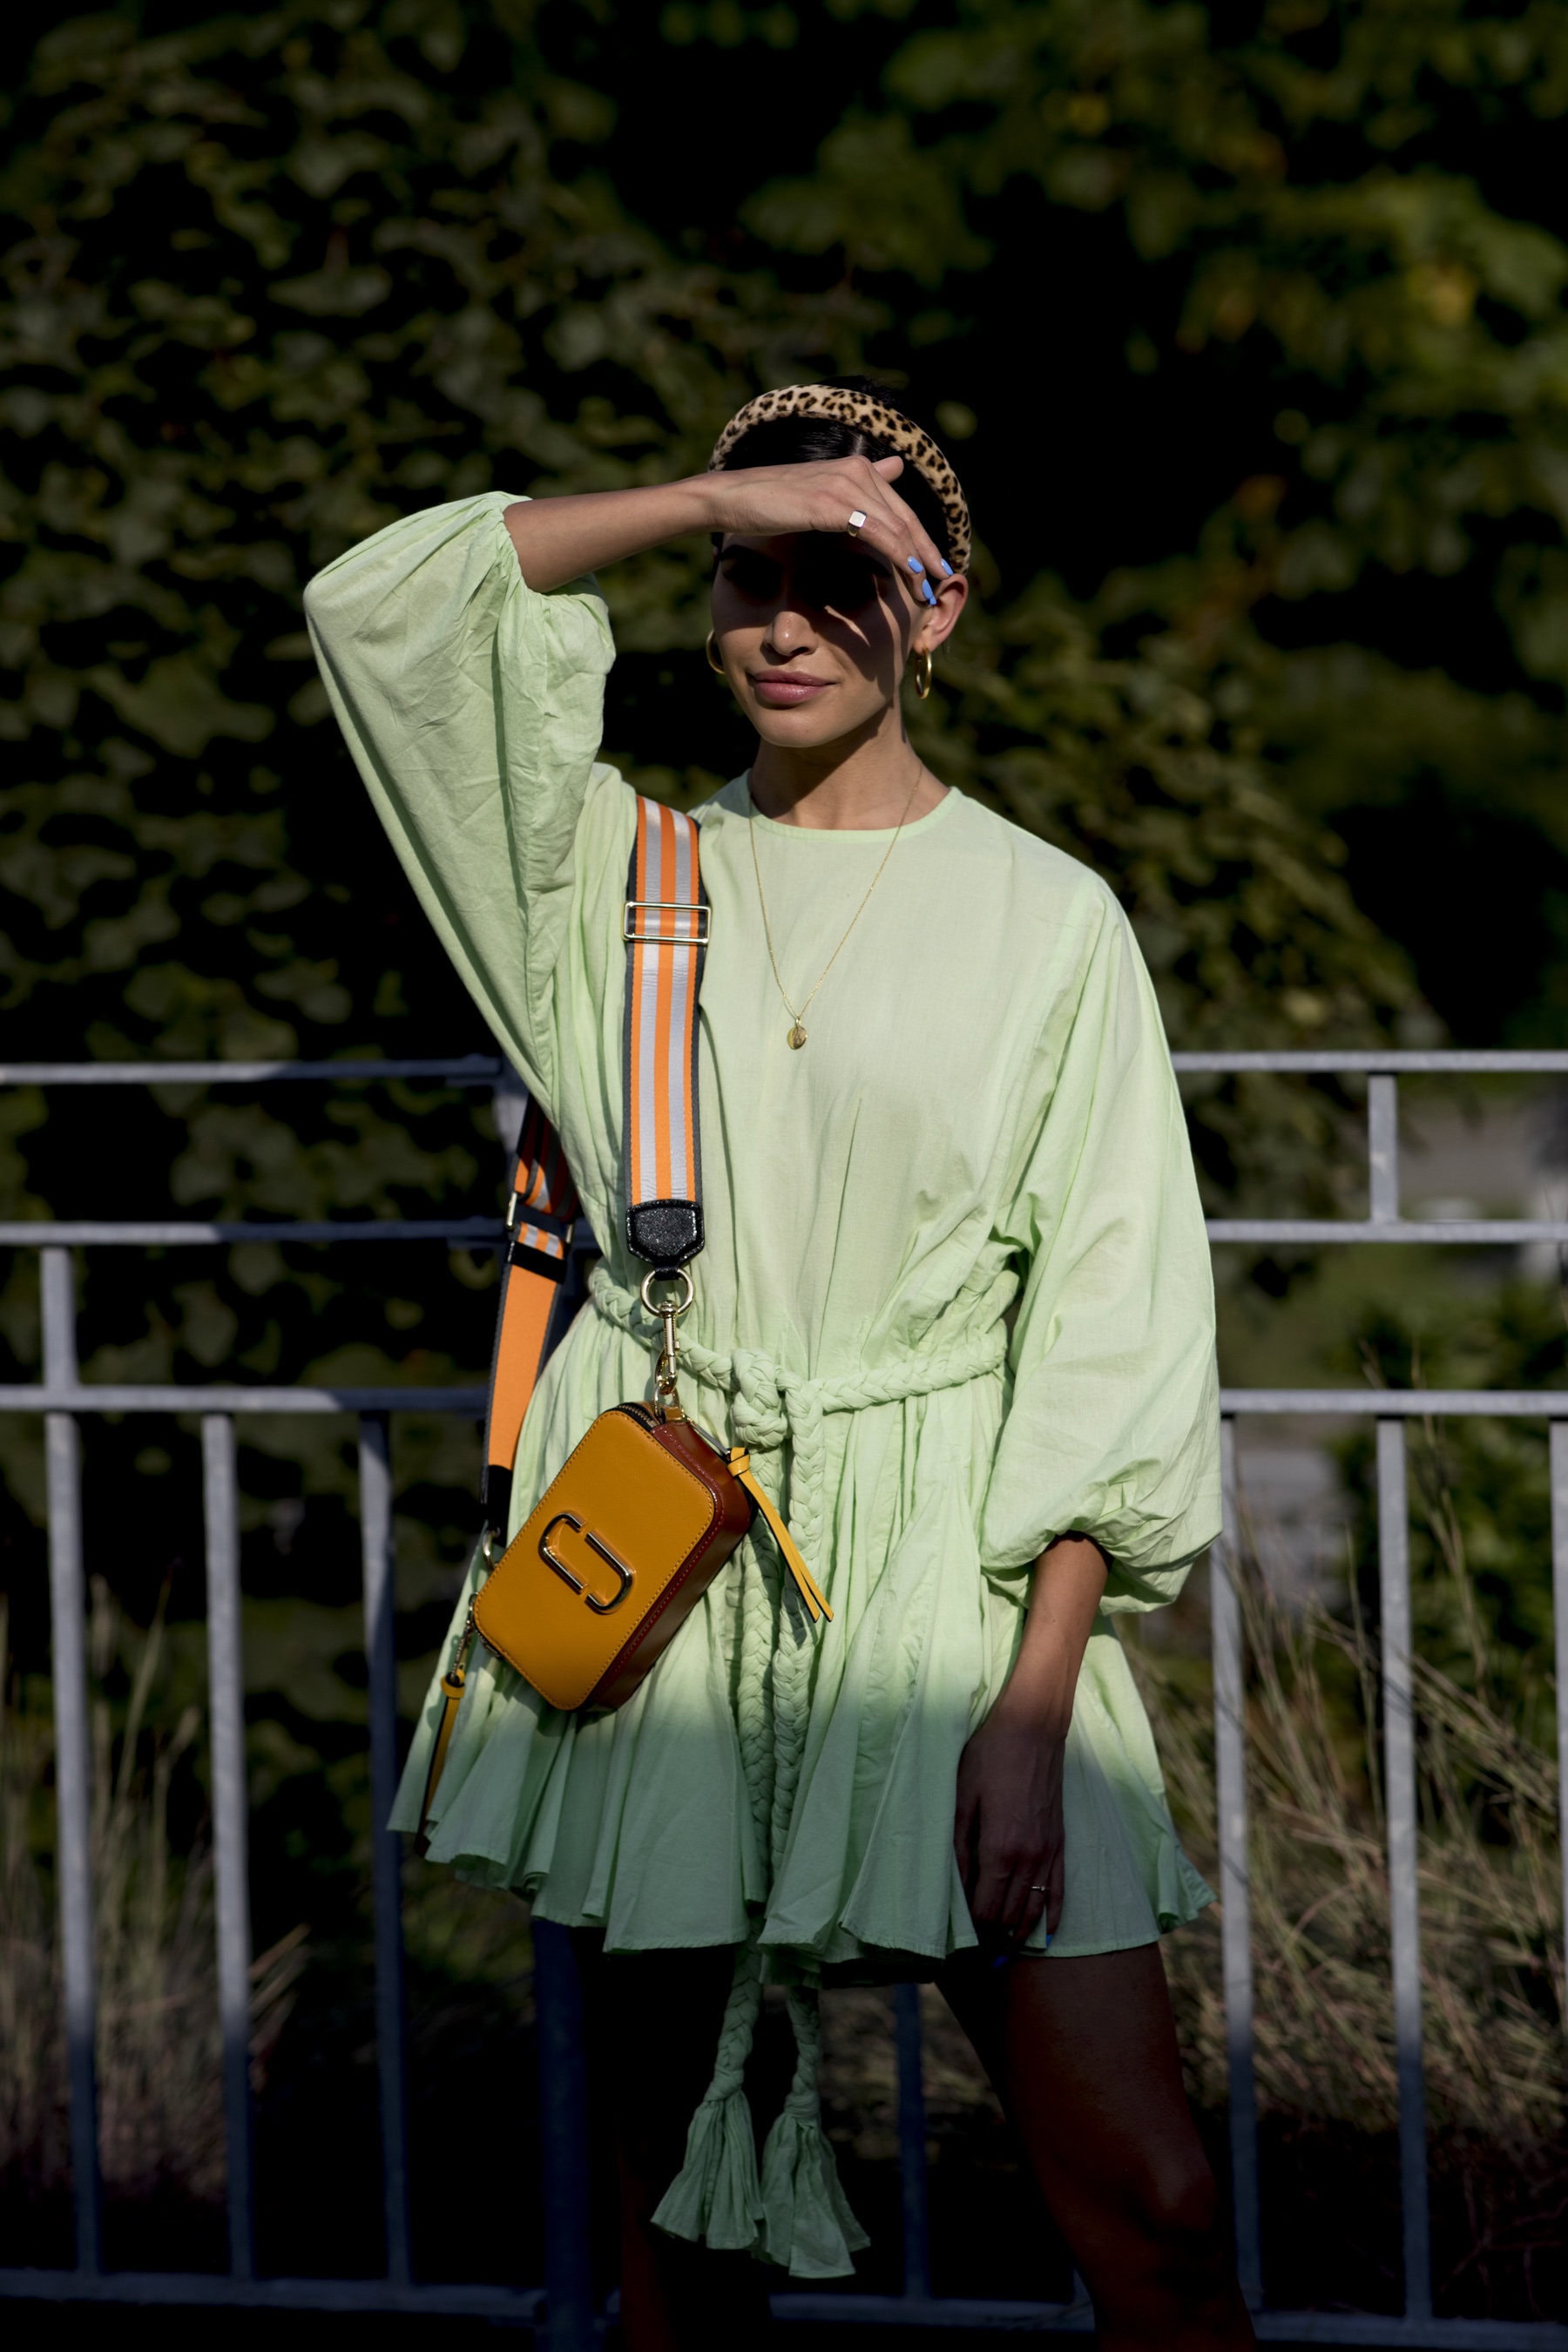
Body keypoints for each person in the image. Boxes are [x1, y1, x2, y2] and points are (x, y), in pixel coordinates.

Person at [305, 378, 1254, 2350]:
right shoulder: (608, 877)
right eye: (753, 576)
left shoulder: (1051, 920)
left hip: (958, 1588)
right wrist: (698, 496)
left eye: (843, 578)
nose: (787, 622)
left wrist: (1037, 1699)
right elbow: (384, 609)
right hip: (671, 1561)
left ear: (936, 610)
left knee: (1155, 2213)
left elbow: (1116, 1304)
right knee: (682, 2238)